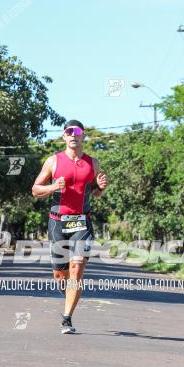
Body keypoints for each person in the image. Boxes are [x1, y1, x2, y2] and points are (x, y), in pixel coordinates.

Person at [32, 120, 108, 334]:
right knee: (60, 275)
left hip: (82, 221)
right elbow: (35, 189)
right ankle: (68, 294)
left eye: (77, 131)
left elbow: (94, 192)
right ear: (64, 136)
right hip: (57, 221)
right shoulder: (53, 161)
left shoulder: (92, 163)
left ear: (83, 136)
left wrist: (101, 188)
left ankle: (67, 318)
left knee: (77, 269)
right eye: (69, 131)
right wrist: (53, 186)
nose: (73, 135)